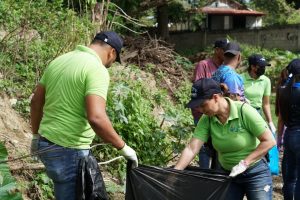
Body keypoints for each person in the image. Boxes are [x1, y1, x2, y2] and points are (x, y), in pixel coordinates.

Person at [30, 31, 138, 200]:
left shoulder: (59, 61)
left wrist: (36, 136)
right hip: (70, 150)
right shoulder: (96, 69)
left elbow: (36, 102)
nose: (110, 64)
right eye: (112, 61)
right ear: (112, 52)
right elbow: (96, 117)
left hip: (46, 144)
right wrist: (123, 147)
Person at [175, 78, 276, 200]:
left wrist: (245, 163)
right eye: (198, 107)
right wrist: (174, 173)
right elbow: (192, 148)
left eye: (203, 105)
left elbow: (269, 141)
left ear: (216, 97)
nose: (200, 110)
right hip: (228, 174)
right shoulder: (207, 119)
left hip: (255, 172)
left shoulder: (244, 111)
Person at [192, 38, 229, 169]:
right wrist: (219, 87)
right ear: (217, 50)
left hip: (217, 113)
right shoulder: (204, 65)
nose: (227, 54)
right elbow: (199, 85)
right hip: (202, 112)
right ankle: (204, 174)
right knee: (203, 147)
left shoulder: (226, 69)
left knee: (219, 146)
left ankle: (216, 177)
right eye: (225, 51)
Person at [277, 59, 300, 200]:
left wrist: (279, 138)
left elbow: (280, 119)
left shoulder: (282, 91)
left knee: (289, 178)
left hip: (288, 136)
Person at [241, 54, 276, 133]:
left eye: (264, 67)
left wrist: (270, 122)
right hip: (243, 112)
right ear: (252, 67)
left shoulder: (266, 80)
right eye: (261, 67)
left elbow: (266, 104)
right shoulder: (240, 78)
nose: (263, 69)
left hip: (257, 113)